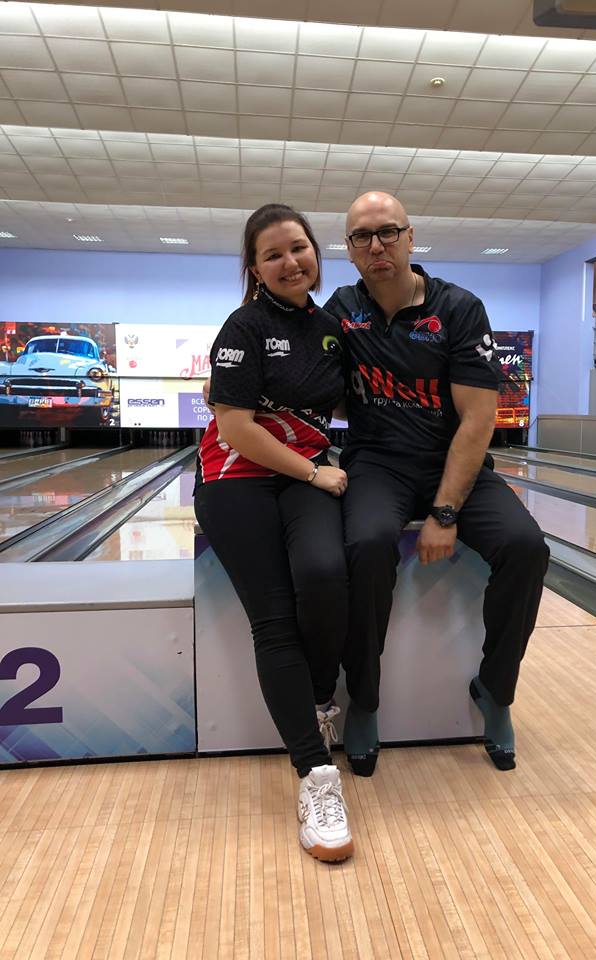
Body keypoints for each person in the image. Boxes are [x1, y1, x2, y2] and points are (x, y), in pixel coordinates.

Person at [324, 191, 550, 776]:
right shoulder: (341, 309)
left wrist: (445, 513)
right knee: (367, 544)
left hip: (453, 461)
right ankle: (364, 700)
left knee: (527, 547)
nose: (377, 245)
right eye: (362, 237)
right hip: (378, 463)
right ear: (349, 250)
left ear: (410, 237)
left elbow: (478, 419)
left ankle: (496, 691)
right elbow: (307, 375)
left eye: (388, 232)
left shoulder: (459, 309)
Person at [194, 203, 353, 862]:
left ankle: (317, 697)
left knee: (325, 574)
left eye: (299, 248)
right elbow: (235, 428)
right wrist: (315, 474)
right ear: (255, 269)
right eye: (273, 255)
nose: (290, 262)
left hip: (302, 475)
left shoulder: (332, 328)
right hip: (236, 476)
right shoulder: (245, 326)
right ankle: (316, 774)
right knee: (275, 620)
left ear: (315, 251)